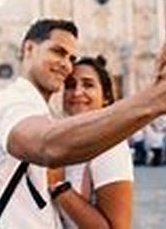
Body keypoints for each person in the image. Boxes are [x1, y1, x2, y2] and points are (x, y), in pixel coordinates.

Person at [0, 19, 166, 228]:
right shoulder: (11, 102)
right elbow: (48, 145)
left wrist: (155, 93)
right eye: (57, 51)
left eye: (71, 57)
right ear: (28, 49)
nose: (66, 65)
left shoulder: (40, 112)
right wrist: (159, 96)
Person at [48, 55, 134, 229]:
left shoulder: (110, 147)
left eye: (88, 85)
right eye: (70, 86)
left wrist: (59, 188)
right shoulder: (64, 145)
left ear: (106, 97)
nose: (78, 92)